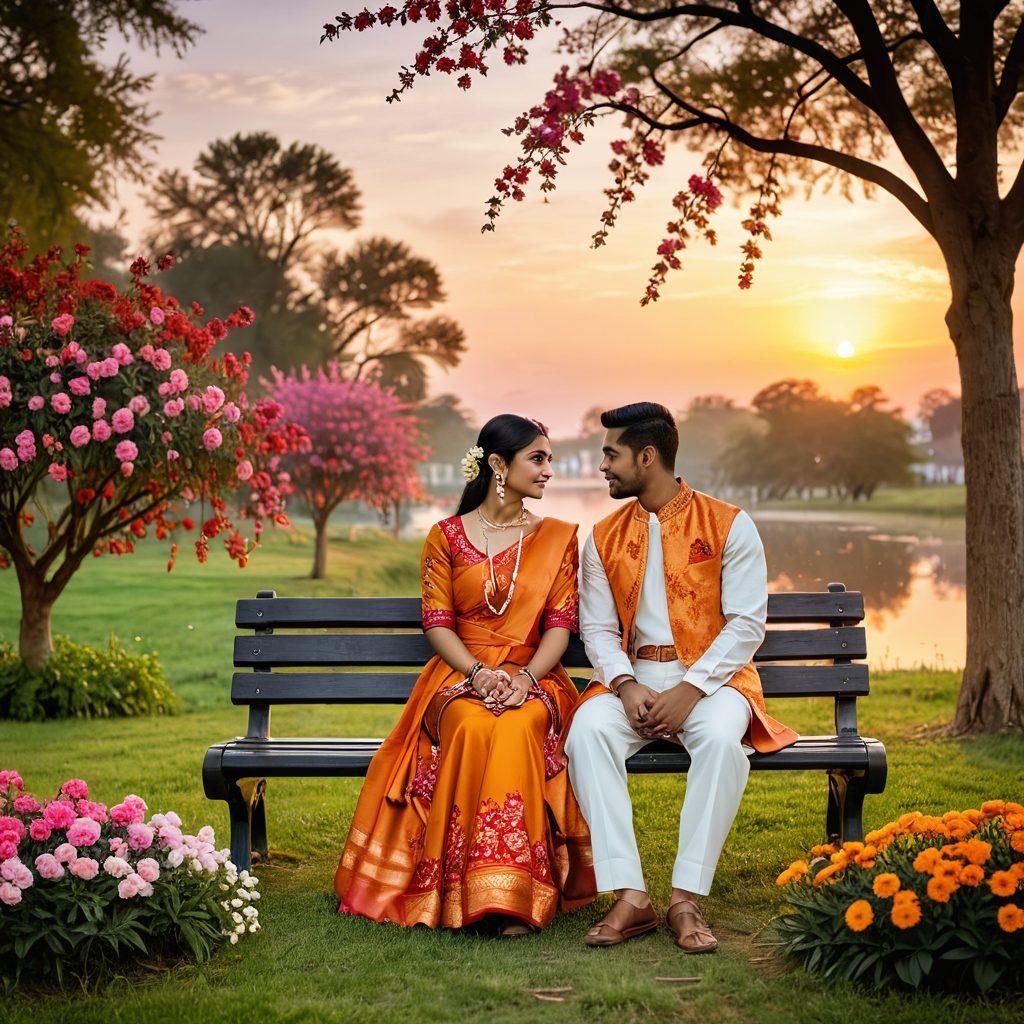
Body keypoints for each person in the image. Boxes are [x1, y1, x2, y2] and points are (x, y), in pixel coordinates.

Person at [334, 414, 595, 934]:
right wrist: (476, 674)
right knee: (472, 725)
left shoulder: (559, 538)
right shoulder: (446, 537)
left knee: (519, 725)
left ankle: (510, 894)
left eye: (550, 459)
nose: (549, 470)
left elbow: (560, 627)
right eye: (537, 458)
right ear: (498, 464)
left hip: (534, 675)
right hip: (459, 675)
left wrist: (523, 680)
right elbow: (438, 624)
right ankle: (463, 888)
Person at [564, 402, 798, 953]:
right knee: (587, 732)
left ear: (647, 456)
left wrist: (691, 689)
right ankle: (631, 895)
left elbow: (746, 624)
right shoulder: (602, 537)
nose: (602, 466)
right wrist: (625, 685)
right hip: (633, 678)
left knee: (719, 740)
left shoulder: (728, 524)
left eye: (611, 454)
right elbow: (596, 629)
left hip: (715, 681)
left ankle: (685, 898)